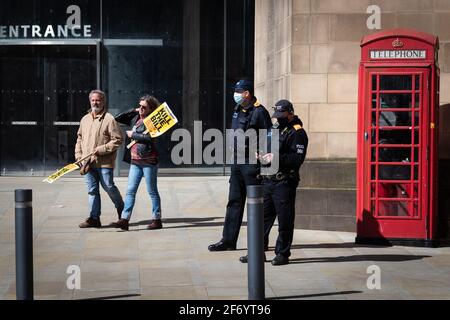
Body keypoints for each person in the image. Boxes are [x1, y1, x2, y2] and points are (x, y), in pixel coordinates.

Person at [240, 99, 308, 265]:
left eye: (281, 115)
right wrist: (260, 153)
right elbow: (266, 146)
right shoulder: (275, 128)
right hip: (268, 180)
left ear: (290, 113)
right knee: (261, 220)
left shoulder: (297, 132)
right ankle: (257, 252)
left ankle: (282, 254)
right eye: (276, 115)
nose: (278, 118)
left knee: (284, 220)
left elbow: (297, 158)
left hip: (284, 182)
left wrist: (276, 158)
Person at [208, 80, 272, 251]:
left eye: (239, 91)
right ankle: (228, 241)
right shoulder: (238, 109)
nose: (235, 94)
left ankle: (260, 241)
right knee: (234, 201)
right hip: (236, 161)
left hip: (251, 163)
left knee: (256, 203)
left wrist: (263, 155)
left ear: (247, 93)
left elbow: (269, 136)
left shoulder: (260, 112)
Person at [111, 95, 162, 231]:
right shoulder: (136, 117)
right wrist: (132, 110)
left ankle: (157, 219)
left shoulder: (153, 121)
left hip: (149, 161)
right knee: (130, 191)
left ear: (151, 109)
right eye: (140, 106)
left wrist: (133, 135)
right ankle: (124, 219)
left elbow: (150, 138)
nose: (141, 109)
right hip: (135, 161)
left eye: (144, 107)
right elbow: (118, 118)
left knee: (152, 191)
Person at [76, 90, 124, 228]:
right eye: (93, 100)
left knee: (109, 187)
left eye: (98, 100)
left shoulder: (109, 119)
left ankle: (123, 211)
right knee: (92, 190)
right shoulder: (85, 119)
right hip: (87, 163)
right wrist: (78, 156)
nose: (95, 103)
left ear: (103, 102)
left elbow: (118, 140)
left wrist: (101, 149)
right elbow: (79, 138)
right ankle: (94, 218)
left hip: (104, 163)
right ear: (90, 101)